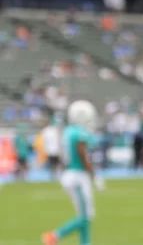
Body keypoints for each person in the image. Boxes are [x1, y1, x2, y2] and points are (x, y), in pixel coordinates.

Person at [42, 100, 103, 245]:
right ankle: (54, 236)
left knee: (84, 215)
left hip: (71, 173)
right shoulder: (78, 133)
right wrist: (94, 175)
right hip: (78, 176)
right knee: (85, 217)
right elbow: (82, 155)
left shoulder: (68, 131)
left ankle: (85, 243)